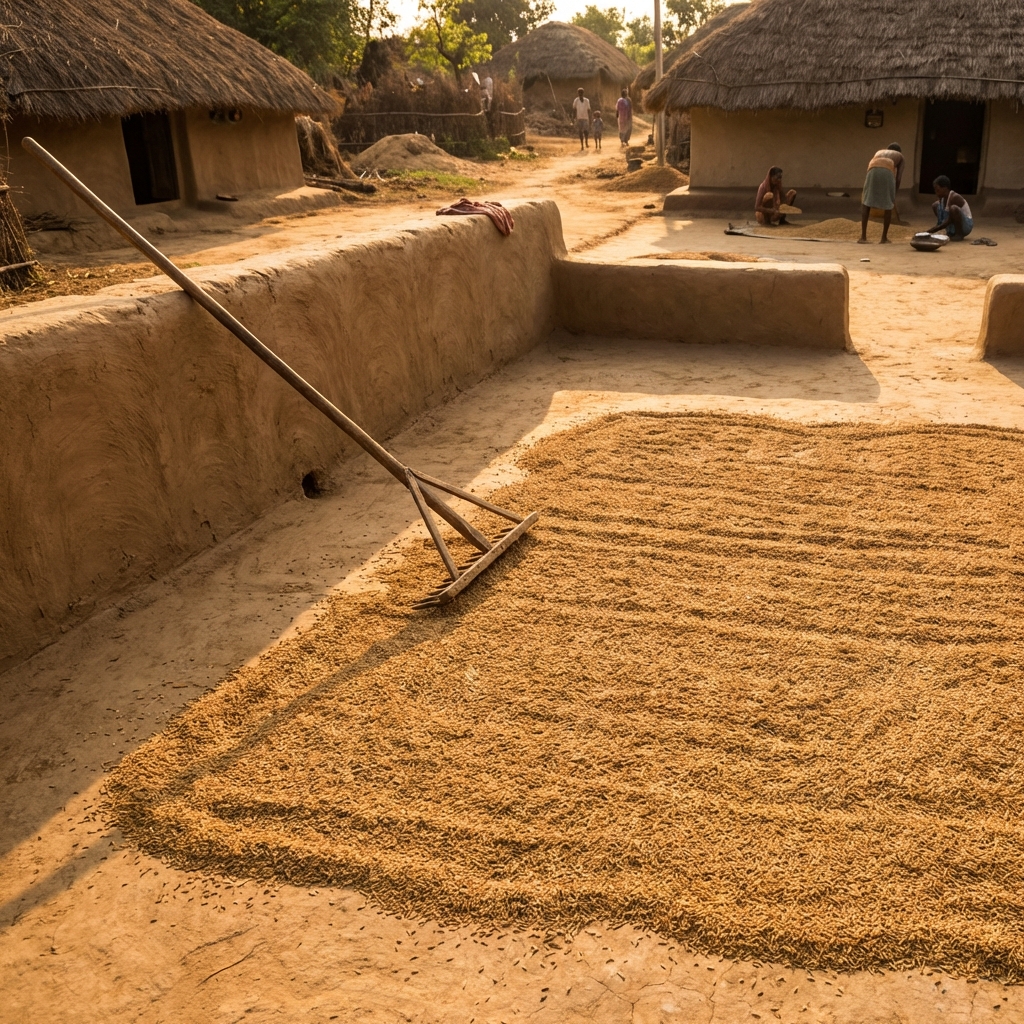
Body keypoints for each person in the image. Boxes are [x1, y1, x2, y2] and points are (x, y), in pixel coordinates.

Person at [859, 142, 904, 244]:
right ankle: (883, 238)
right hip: (887, 171)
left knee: (866, 202)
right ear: (898, 151)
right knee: (888, 206)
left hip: (872, 169)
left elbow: (875, 166)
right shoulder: (900, 156)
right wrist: (894, 193)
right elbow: (899, 177)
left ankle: (863, 237)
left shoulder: (879, 152)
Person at [931, 175, 974, 240]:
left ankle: (959, 234)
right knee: (935, 205)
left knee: (953, 209)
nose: (936, 193)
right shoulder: (942, 199)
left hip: (965, 226)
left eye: (937, 190)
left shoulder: (954, 197)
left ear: (944, 188)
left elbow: (949, 220)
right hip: (951, 224)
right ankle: (950, 232)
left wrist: (934, 230)